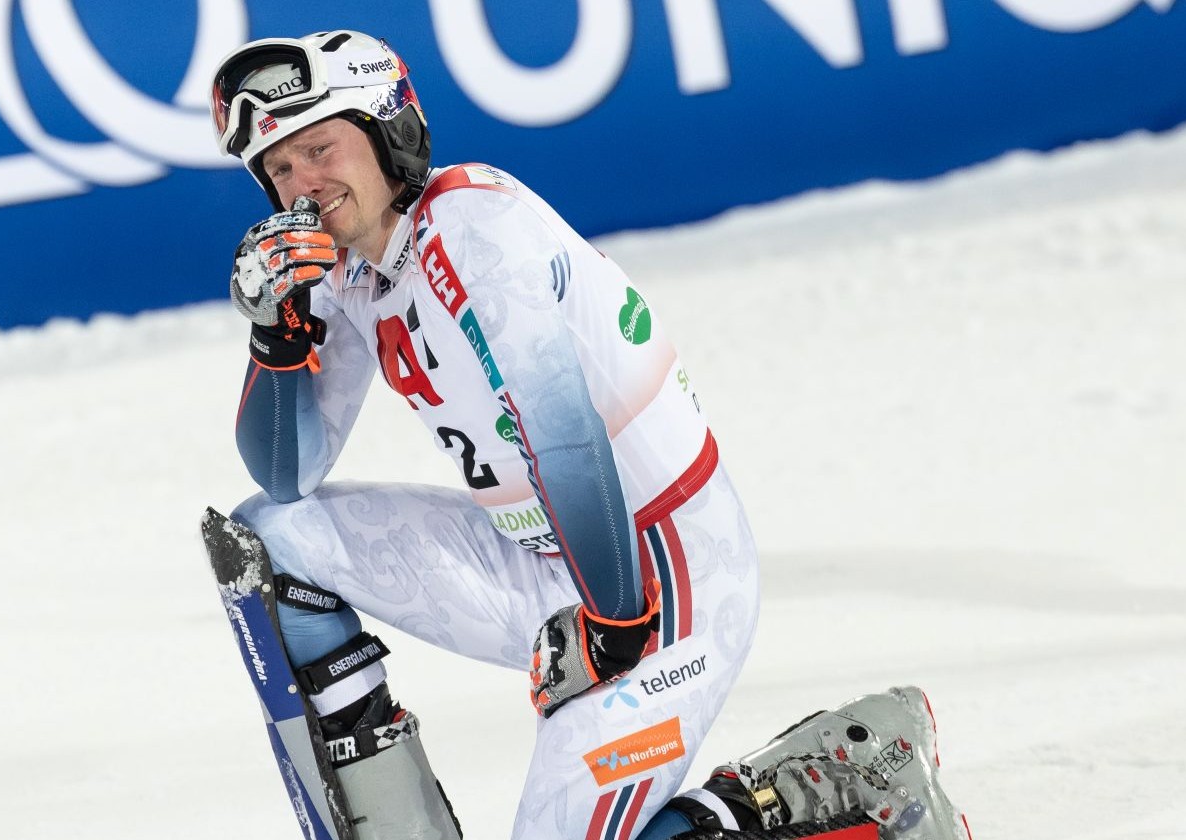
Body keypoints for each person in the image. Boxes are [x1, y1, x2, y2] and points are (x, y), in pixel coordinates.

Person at [209, 30, 968, 840]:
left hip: (660, 573)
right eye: (281, 168)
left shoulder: (469, 226)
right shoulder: (352, 269)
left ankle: (844, 791)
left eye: (321, 147)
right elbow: (286, 475)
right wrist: (277, 340)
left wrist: (610, 626)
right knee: (273, 539)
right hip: (548, 559)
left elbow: (563, 433)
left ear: (389, 128)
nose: (303, 183)